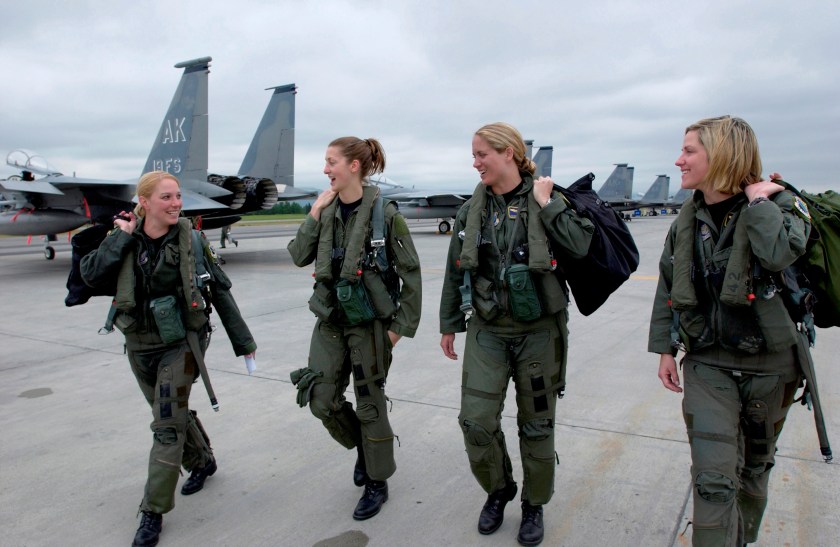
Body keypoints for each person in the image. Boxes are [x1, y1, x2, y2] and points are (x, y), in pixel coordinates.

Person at [648, 116, 812, 546]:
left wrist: (759, 206)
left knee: (753, 472)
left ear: (719, 154)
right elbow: (669, 283)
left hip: (771, 367)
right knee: (713, 480)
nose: (678, 160)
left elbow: (778, 253)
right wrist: (666, 347)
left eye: (689, 151)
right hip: (708, 363)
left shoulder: (781, 206)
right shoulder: (686, 220)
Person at [81, 171, 257, 547]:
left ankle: (152, 511)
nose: (176, 203)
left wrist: (243, 341)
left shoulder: (191, 240)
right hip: (139, 344)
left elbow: (220, 290)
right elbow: (91, 275)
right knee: (168, 413)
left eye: (178, 196)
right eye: (167, 197)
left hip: (183, 342)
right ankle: (203, 460)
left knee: (165, 425)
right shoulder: (124, 237)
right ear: (144, 202)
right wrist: (119, 238)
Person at [439, 122, 595, 546]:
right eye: (473, 155)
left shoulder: (549, 198)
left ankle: (534, 504)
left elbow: (581, 247)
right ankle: (499, 488)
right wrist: (449, 323)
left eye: (481, 154)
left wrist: (549, 207)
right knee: (475, 420)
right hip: (487, 329)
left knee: (538, 426)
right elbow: (457, 269)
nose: (475, 163)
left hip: (539, 332)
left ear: (508, 152)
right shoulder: (471, 210)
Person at [287, 137, 422, 521]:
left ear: (354, 167)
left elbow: (411, 275)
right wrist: (314, 211)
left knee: (369, 402)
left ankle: (377, 481)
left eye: (331, 162)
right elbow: (298, 256)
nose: (326, 169)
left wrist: (400, 329)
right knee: (321, 400)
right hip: (331, 322)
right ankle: (366, 449)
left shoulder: (386, 214)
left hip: (370, 325)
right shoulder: (327, 211)